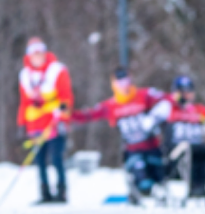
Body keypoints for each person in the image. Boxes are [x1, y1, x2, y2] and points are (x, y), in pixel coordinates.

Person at [72, 67, 172, 200]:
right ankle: (142, 192)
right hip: (132, 150)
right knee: (140, 173)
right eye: (120, 83)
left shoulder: (145, 95)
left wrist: (153, 118)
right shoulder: (111, 105)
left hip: (152, 147)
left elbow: (168, 100)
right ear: (114, 85)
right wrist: (68, 114)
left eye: (126, 81)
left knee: (159, 175)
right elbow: (90, 114)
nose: (124, 86)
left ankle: (158, 194)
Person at [17, 37, 73, 203]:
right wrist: (21, 123)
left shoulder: (57, 70)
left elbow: (66, 96)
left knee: (56, 158)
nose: (37, 57)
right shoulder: (25, 75)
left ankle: (61, 191)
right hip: (35, 124)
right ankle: (44, 192)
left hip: (54, 123)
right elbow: (24, 101)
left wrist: (63, 113)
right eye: (34, 54)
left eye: (40, 53)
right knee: (39, 160)